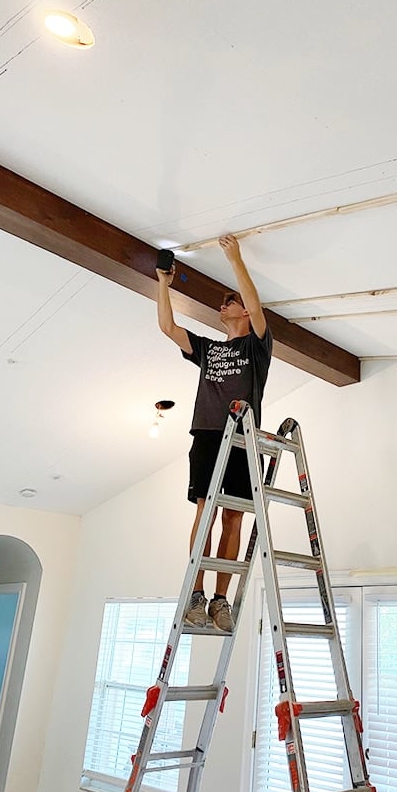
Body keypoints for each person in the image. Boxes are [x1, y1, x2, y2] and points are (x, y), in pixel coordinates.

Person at [156, 234, 272, 631]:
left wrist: (235, 258)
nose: (224, 304)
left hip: (242, 440)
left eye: (230, 301)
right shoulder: (208, 349)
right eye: (224, 301)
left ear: (243, 312)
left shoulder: (256, 348)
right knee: (206, 513)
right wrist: (163, 283)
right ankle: (196, 594)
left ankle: (221, 601)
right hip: (207, 435)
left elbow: (255, 304)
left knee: (233, 520)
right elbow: (167, 326)